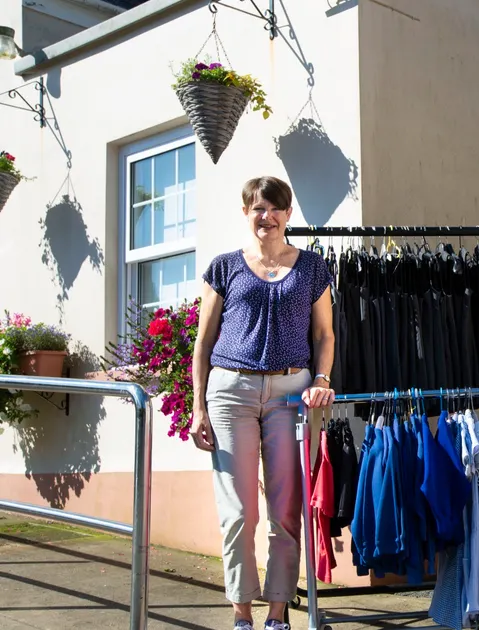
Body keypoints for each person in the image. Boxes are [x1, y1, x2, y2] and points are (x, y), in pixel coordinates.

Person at [190, 176, 336, 630]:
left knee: (285, 509)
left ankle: (277, 613)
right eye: (257, 208)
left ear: (288, 214)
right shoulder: (225, 268)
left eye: (274, 208)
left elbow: (324, 334)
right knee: (238, 511)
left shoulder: (312, 268)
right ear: (246, 214)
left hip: (292, 395)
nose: (266, 216)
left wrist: (324, 378)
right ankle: (241, 612)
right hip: (231, 392)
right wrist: (198, 407)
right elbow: (203, 342)